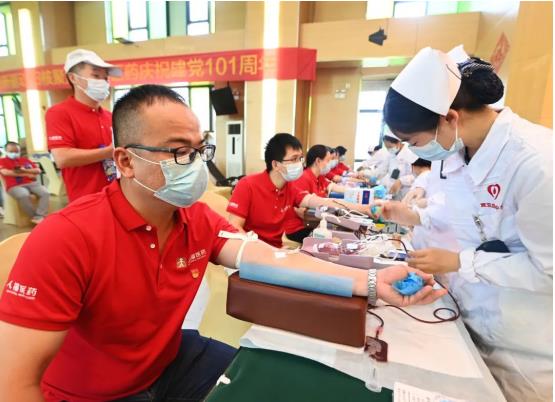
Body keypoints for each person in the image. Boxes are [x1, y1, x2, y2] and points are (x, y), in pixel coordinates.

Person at [0, 84, 446, 402]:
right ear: (125, 161)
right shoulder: (67, 238)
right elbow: (13, 382)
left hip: (167, 360)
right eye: (179, 151)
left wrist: (373, 282)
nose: (194, 164)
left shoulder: (194, 219)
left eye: (199, 150)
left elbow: (269, 258)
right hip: (93, 393)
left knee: (273, 381)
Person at [375, 46, 552, 402]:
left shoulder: (537, 163)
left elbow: (548, 271)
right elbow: (459, 216)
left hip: (526, 347)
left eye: (415, 142)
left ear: (450, 118)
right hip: (470, 318)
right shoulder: (455, 151)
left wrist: (459, 262)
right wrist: (414, 216)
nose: (415, 152)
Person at [227, 134, 374, 248]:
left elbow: (323, 202)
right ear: (276, 164)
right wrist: (262, 252)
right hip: (250, 252)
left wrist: (364, 208)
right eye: (294, 159)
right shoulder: (247, 185)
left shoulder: (290, 187)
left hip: (276, 251)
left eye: (300, 158)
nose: (299, 164)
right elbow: (234, 227)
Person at [45, 49, 122, 202]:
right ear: (73, 78)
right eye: (96, 76)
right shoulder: (59, 113)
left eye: (105, 78)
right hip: (85, 199)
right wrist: (109, 151)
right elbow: (62, 158)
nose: (103, 82)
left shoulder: (109, 116)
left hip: (116, 193)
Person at [283, 144, 345, 243]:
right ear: (318, 161)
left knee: (342, 232)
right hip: (299, 228)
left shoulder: (319, 177)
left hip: (315, 223)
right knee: (336, 241)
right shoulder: (303, 178)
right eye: (328, 160)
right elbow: (302, 212)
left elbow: (334, 188)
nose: (330, 164)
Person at [0, 141, 49, 224]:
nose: (14, 153)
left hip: (31, 183)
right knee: (23, 195)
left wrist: (25, 170)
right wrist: (27, 174)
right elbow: (6, 172)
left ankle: (39, 216)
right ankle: (34, 216)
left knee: (45, 193)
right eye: (11, 151)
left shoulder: (24, 160)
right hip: (14, 186)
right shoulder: (2, 161)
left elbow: (38, 170)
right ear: (6, 151)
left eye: (16, 151)